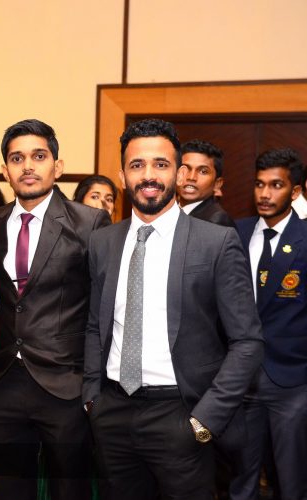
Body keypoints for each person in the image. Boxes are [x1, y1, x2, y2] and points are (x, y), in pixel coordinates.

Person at [83, 118, 264, 499]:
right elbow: (96, 326)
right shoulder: (103, 242)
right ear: (123, 176)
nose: (149, 175)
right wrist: (92, 398)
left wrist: (205, 419)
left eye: (161, 164)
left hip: (181, 414)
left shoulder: (216, 242)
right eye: (137, 165)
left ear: (179, 174)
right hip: (112, 414)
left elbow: (247, 342)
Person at [0, 119, 110, 499]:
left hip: (65, 384)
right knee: (7, 489)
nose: (28, 166)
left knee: (69, 490)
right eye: (17, 158)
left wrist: (92, 379)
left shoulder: (90, 223)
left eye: (38, 156)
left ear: (57, 166)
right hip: (2, 381)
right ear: (5, 171)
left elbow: (101, 307)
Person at [230, 148, 307, 500]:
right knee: (241, 479)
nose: (264, 193)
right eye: (259, 184)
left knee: (292, 482)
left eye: (276, 185)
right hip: (240, 380)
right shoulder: (236, 232)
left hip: (292, 381)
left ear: (295, 191)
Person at [177, 139, 235, 227]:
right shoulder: (167, 211)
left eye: (203, 172)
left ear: (217, 184)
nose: (191, 177)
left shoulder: (216, 220)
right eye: (186, 168)